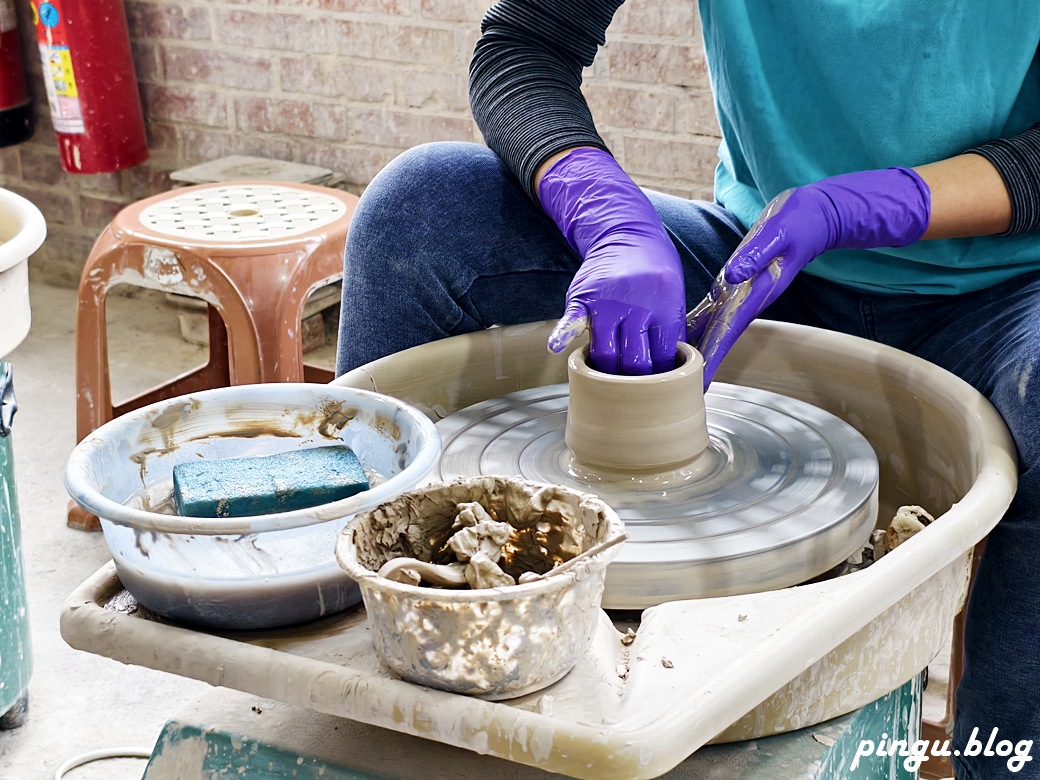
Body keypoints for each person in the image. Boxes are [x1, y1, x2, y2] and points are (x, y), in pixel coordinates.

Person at [336, 3, 1040, 776]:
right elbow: (525, 46)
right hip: (761, 269)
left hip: (1003, 295)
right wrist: (604, 215)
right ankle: (365, 664)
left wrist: (869, 205)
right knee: (421, 213)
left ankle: (1005, 764)